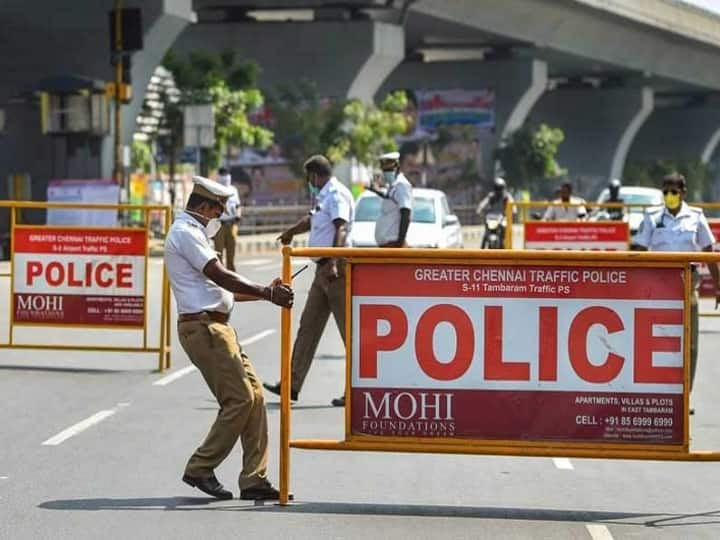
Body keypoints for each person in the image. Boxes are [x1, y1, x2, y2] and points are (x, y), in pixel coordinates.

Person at [165, 175, 294, 501]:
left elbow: (221, 289)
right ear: (205, 206)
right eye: (217, 211)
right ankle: (200, 467)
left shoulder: (195, 234)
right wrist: (266, 292)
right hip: (205, 329)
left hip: (218, 327)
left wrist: (267, 294)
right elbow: (219, 275)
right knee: (240, 400)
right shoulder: (185, 233)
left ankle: (254, 478)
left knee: (257, 398)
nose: (218, 218)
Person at [263, 155, 355, 407]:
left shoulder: (336, 194)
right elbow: (313, 220)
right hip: (322, 269)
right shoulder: (323, 195)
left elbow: (342, 228)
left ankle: (356, 389)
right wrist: (291, 231)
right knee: (308, 326)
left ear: (315, 175)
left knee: (349, 332)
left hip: (336, 269)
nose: (309, 183)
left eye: (309, 178)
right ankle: (291, 385)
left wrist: (335, 261)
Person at [632, 172, 720, 414]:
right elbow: (639, 250)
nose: (670, 195)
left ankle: (684, 397)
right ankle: (657, 396)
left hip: (686, 284)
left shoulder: (695, 217)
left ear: (683, 192)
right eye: (666, 191)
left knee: (689, 345)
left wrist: (719, 285)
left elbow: (708, 251)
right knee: (655, 341)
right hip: (658, 287)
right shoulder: (651, 217)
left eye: (674, 191)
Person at [368, 151, 413, 247]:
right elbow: (390, 199)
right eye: (384, 170)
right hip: (387, 245)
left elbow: (405, 213)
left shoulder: (401, 185)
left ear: (397, 167)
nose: (385, 173)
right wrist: (376, 190)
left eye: (388, 170)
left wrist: (400, 243)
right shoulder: (393, 185)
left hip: (393, 245)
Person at [213, 167, 241, 272]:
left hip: (232, 223)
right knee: (218, 253)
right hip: (218, 224)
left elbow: (238, 205)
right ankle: (220, 276)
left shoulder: (233, 190)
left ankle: (232, 277)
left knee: (231, 253)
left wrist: (238, 216)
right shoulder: (214, 190)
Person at [476, 177, 515, 249]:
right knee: (486, 234)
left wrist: (513, 211)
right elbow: (483, 203)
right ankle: (482, 250)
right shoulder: (491, 196)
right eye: (497, 188)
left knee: (505, 231)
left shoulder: (506, 196)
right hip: (491, 217)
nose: (498, 190)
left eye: (500, 188)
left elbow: (512, 204)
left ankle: (505, 246)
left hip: (502, 218)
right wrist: (479, 209)